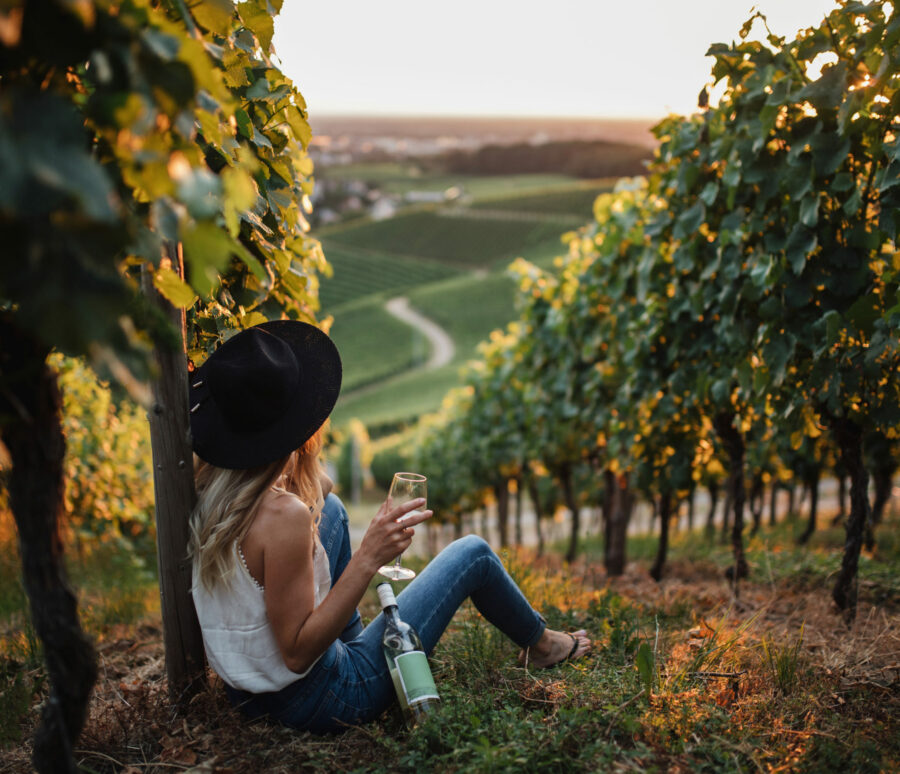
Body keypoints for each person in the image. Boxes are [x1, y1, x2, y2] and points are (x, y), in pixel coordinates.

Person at [188, 321, 591, 733]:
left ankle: (356, 643)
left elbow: (318, 494)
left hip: (247, 694)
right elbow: (295, 654)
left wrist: (300, 464)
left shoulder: (211, 488)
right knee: (473, 554)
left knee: (334, 508)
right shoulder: (283, 517)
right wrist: (369, 557)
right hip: (320, 699)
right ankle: (542, 645)